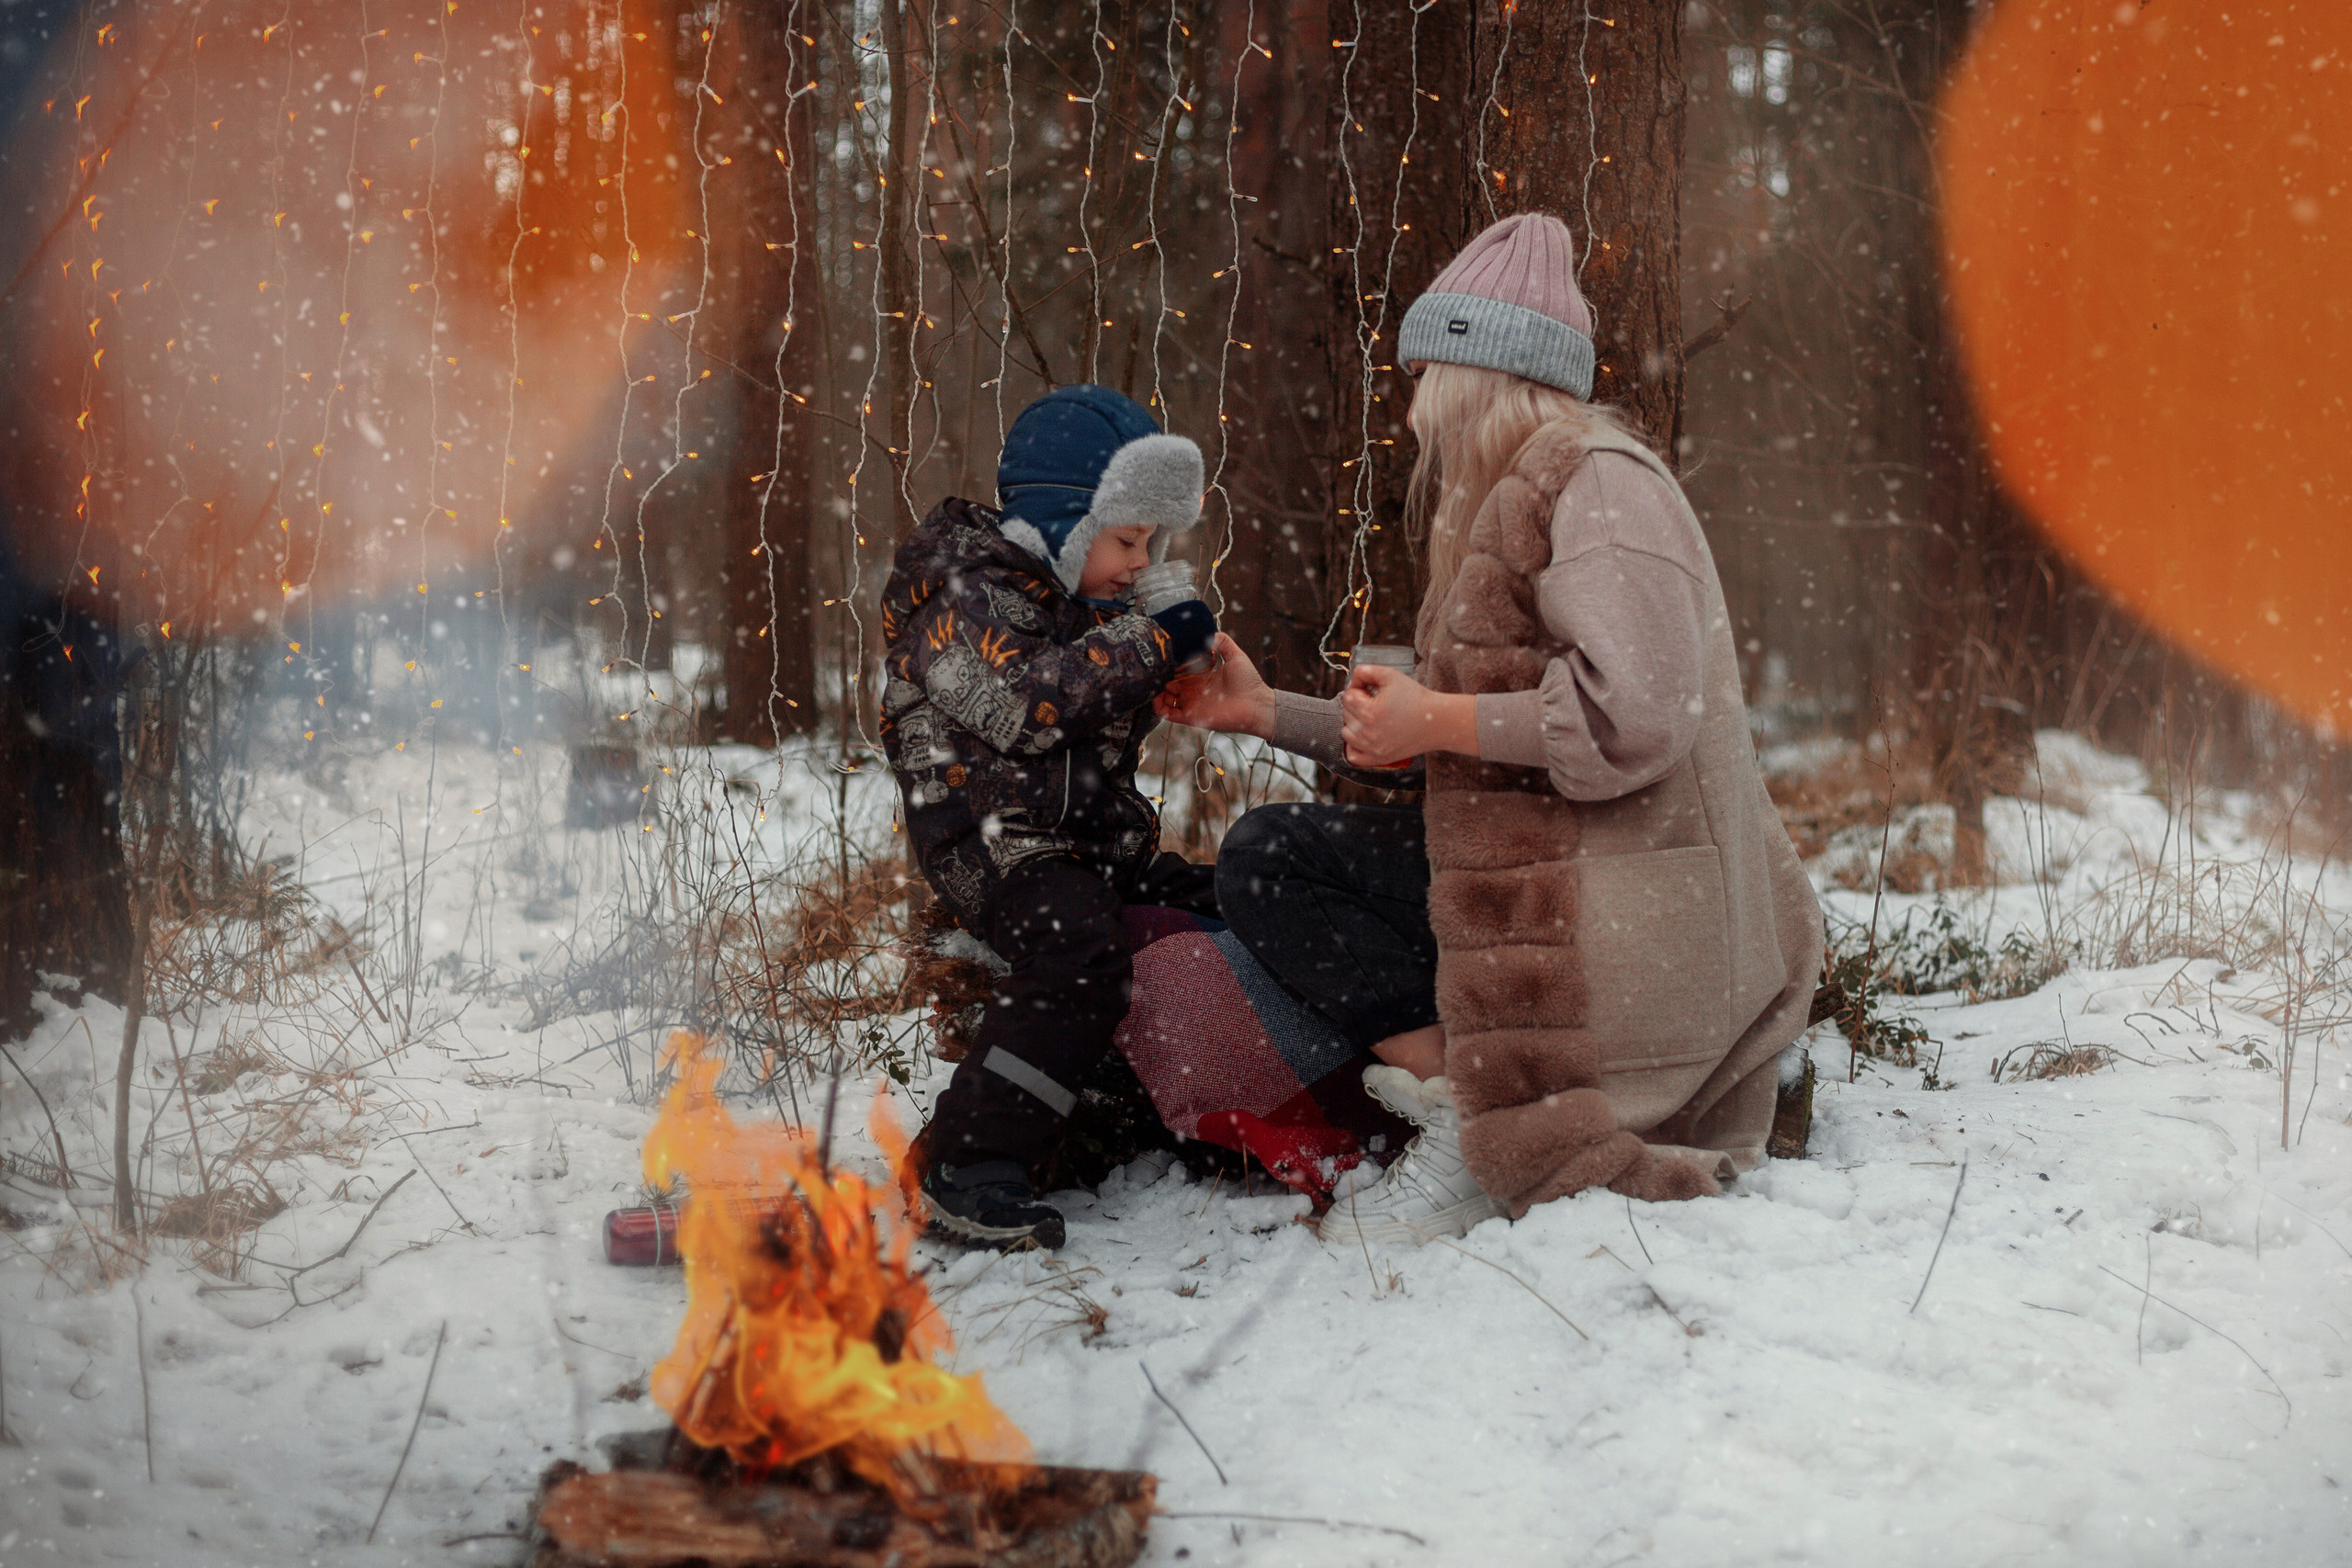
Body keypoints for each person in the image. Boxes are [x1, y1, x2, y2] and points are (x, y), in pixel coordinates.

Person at [1159, 212, 1824, 1248]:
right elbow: (1453, 739)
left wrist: (1440, 714)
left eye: (1424, 375)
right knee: (1270, 857)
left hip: (1629, 901)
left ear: (1480, 373)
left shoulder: (1603, 483)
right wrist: (1265, 714)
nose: (1415, 407)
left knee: (1274, 860)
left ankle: (1500, 1123)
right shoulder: (1515, 496)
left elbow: (1638, 716)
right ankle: (1463, 1099)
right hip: (1542, 872)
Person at [884, 384, 1220, 1249]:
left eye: (1150, 543)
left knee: (1213, 900)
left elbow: (1084, 724)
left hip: (1078, 838)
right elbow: (1024, 705)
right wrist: (1148, 644)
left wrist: (1168, 673)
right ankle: (963, 1162)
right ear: (1066, 524)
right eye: (1125, 539)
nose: (1140, 561)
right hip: (992, 844)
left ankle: (1109, 1109)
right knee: (1079, 951)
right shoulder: (957, 597)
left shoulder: (1075, 598)